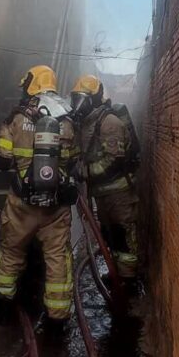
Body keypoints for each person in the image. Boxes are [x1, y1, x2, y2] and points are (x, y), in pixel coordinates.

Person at [0, 65, 78, 326]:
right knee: (57, 260)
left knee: (11, 253)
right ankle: (57, 319)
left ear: (31, 84)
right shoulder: (67, 119)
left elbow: (1, 160)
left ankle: (3, 307)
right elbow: (73, 160)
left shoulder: (16, 118)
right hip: (55, 207)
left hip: (21, 206)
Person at [70, 74, 139, 284]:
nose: (77, 104)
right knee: (109, 235)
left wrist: (85, 172)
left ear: (93, 98)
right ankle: (115, 273)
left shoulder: (109, 123)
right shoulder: (87, 123)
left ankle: (127, 285)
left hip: (118, 194)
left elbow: (113, 162)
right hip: (102, 193)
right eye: (75, 99)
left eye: (81, 98)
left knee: (123, 238)